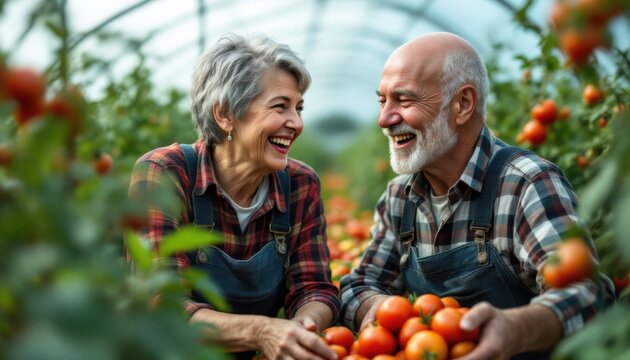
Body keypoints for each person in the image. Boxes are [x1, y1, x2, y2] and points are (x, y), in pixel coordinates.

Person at [339, 32, 615, 360]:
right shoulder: (400, 198)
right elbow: (358, 286)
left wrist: (517, 329)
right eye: (382, 101)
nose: (385, 119)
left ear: (462, 104)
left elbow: (587, 293)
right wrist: (383, 309)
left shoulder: (526, 183)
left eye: (405, 100)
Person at [129, 33, 339, 360]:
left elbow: (314, 288)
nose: (296, 123)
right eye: (280, 106)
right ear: (225, 114)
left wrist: (303, 327)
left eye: (298, 108)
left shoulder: (300, 184)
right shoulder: (166, 175)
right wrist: (262, 331)